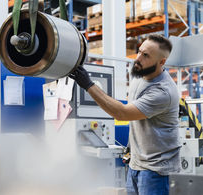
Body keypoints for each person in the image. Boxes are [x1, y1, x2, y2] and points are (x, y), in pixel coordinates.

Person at [70, 34, 180, 195]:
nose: (138, 59)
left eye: (146, 55)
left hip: (155, 170)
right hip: (136, 164)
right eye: (139, 51)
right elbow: (134, 114)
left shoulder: (163, 91)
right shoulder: (139, 74)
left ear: (161, 62)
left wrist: (88, 84)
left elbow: (122, 113)